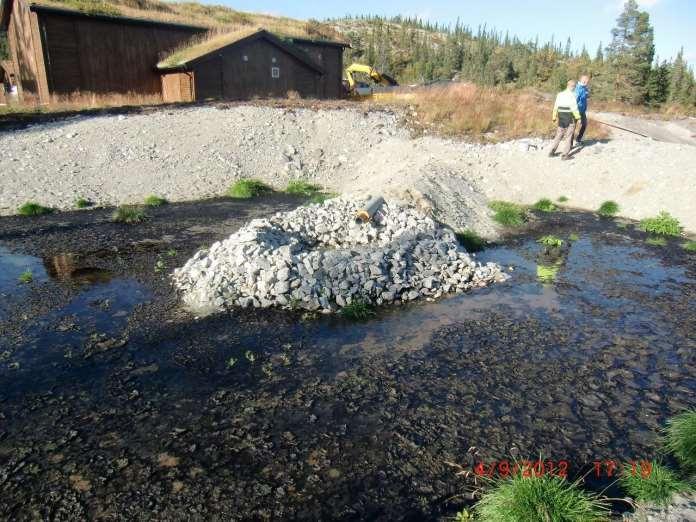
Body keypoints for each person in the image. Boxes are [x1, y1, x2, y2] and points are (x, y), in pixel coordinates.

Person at [548, 80, 581, 160]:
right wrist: (579, 118)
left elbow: (556, 106)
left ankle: (552, 151)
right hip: (570, 117)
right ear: (572, 86)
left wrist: (554, 117)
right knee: (569, 136)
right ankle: (564, 155)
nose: (574, 88)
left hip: (561, 117)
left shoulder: (560, 94)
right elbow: (574, 108)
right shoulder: (572, 95)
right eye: (574, 87)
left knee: (559, 134)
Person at [574, 75, 590, 144]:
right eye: (587, 81)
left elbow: (585, 97)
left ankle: (578, 139)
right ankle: (570, 143)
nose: (588, 82)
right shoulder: (578, 88)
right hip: (576, 110)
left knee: (584, 124)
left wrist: (587, 94)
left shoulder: (584, 88)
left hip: (582, 111)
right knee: (573, 126)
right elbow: (575, 101)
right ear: (583, 80)